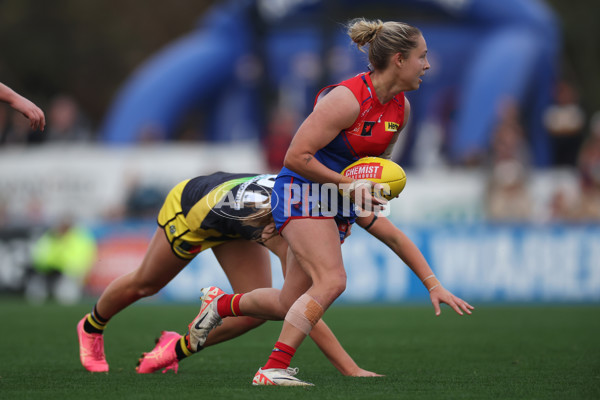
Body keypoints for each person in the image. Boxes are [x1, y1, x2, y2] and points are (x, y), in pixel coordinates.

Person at [188, 18, 474, 386]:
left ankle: (219, 304)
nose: (428, 65)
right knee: (333, 279)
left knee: (287, 301)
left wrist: (433, 284)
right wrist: (346, 186)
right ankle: (272, 369)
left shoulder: (400, 111)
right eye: (423, 56)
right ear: (400, 59)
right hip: (301, 189)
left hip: (335, 198)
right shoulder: (346, 98)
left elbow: (374, 173)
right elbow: (295, 156)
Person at [76, 172, 379, 378]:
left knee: (254, 312)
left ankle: (176, 347)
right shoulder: (294, 230)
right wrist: (349, 368)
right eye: (343, 225)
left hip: (234, 217)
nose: (346, 231)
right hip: (192, 207)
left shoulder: (311, 203)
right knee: (146, 284)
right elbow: (300, 307)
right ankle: (91, 327)